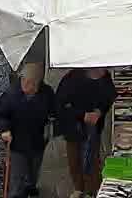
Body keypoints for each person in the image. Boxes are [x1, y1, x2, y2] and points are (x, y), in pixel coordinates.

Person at [0, 63, 57, 198]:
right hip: (17, 144)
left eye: (31, 83)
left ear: (38, 84)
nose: (27, 85)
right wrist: (4, 129)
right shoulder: (11, 95)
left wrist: (52, 121)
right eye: (24, 81)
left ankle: (30, 186)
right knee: (17, 180)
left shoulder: (47, 93)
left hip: (37, 142)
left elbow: (54, 111)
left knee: (34, 172)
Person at [56, 67, 117, 198]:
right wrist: (82, 115)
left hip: (94, 128)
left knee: (92, 160)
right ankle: (79, 188)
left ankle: (92, 190)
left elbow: (110, 96)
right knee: (75, 159)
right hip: (73, 127)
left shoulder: (105, 78)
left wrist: (100, 111)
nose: (103, 71)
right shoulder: (71, 79)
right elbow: (60, 105)